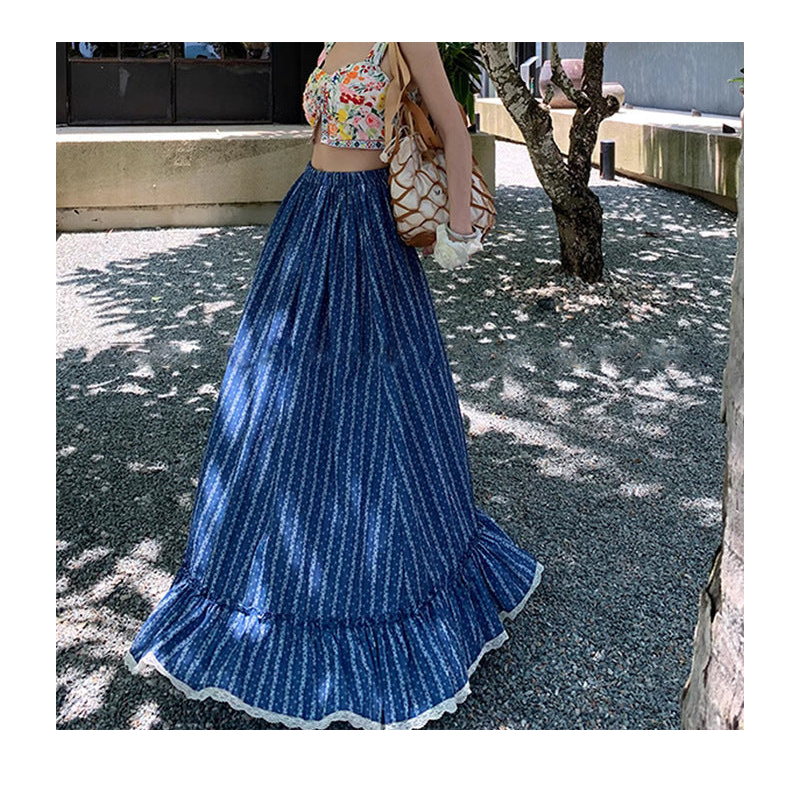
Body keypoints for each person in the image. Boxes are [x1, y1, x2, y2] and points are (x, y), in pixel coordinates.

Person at [125, 41, 544, 730]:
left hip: (367, 231)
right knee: (276, 398)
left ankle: (378, 591)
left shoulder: (404, 29)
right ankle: (263, 579)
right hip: (310, 217)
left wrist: (459, 232)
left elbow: (453, 124)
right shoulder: (330, 35)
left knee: (378, 408)